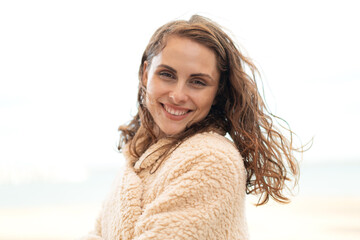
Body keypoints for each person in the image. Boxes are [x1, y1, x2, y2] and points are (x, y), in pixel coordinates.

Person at [81, 15, 300, 240]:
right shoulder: (140, 155)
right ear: (146, 74)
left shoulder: (212, 159)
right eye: (167, 74)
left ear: (217, 92)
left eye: (197, 82)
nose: (177, 95)